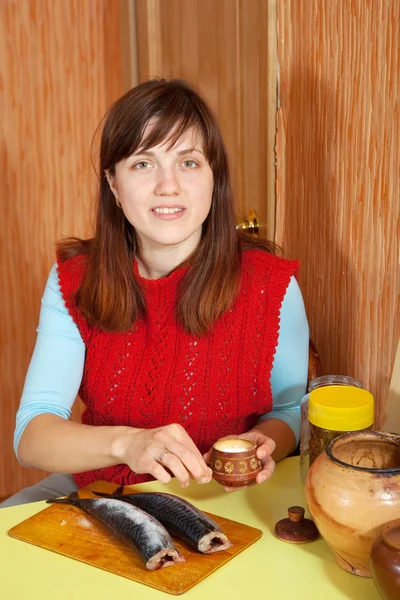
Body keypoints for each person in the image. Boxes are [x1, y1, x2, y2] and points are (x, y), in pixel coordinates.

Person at [1, 79, 309, 508]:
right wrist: (129, 445)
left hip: (227, 501)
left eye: (188, 162)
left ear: (213, 175)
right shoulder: (74, 281)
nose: (169, 186)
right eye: (144, 164)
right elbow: (32, 435)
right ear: (113, 184)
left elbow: (291, 409)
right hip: (103, 493)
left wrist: (267, 441)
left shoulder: (271, 285)